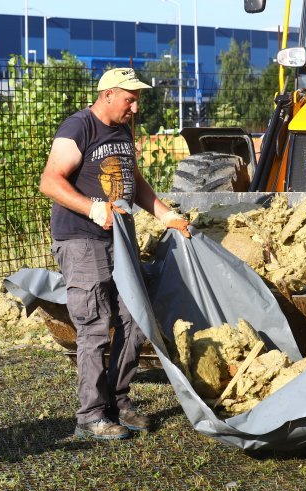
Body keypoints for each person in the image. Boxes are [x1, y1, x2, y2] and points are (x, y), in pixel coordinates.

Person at [39, 67, 190, 441]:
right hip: (81, 238)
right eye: (130, 99)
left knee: (133, 317)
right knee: (94, 325)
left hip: (119, 237)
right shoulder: (78, 128)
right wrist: (93, 208)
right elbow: (50, 181)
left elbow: (134, 180)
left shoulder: (123, 130)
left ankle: (117, 403)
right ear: (108, 94)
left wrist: (166, 214)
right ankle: (89, 416)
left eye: (136, 99)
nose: (135, 107)